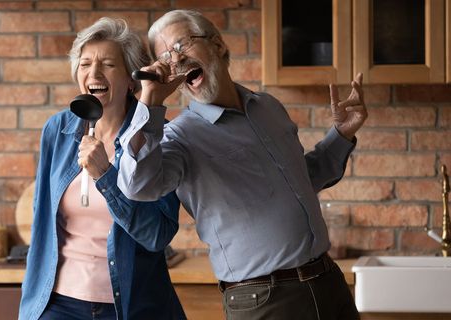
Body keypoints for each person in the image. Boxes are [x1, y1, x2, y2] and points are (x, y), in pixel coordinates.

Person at [117, 10, 368, 320]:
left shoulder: (268, 107)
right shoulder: (178, 137)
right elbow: (137, 186)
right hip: (264, 299)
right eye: (165, 57)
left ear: (218, 45)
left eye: (181, 46)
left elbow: (305, 179)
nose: (175, 61)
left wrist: (341, 134)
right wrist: (150, 103)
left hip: (328, 282)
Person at [19, 17, 186, 320]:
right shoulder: (58, 129)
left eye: (107, 64)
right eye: (85, 64)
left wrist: (105, 176)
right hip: (58, 303)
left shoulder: (158, 134)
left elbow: (157, 235)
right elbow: (41, 216)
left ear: (131, 79)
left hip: (132, 307)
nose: (93, 73)